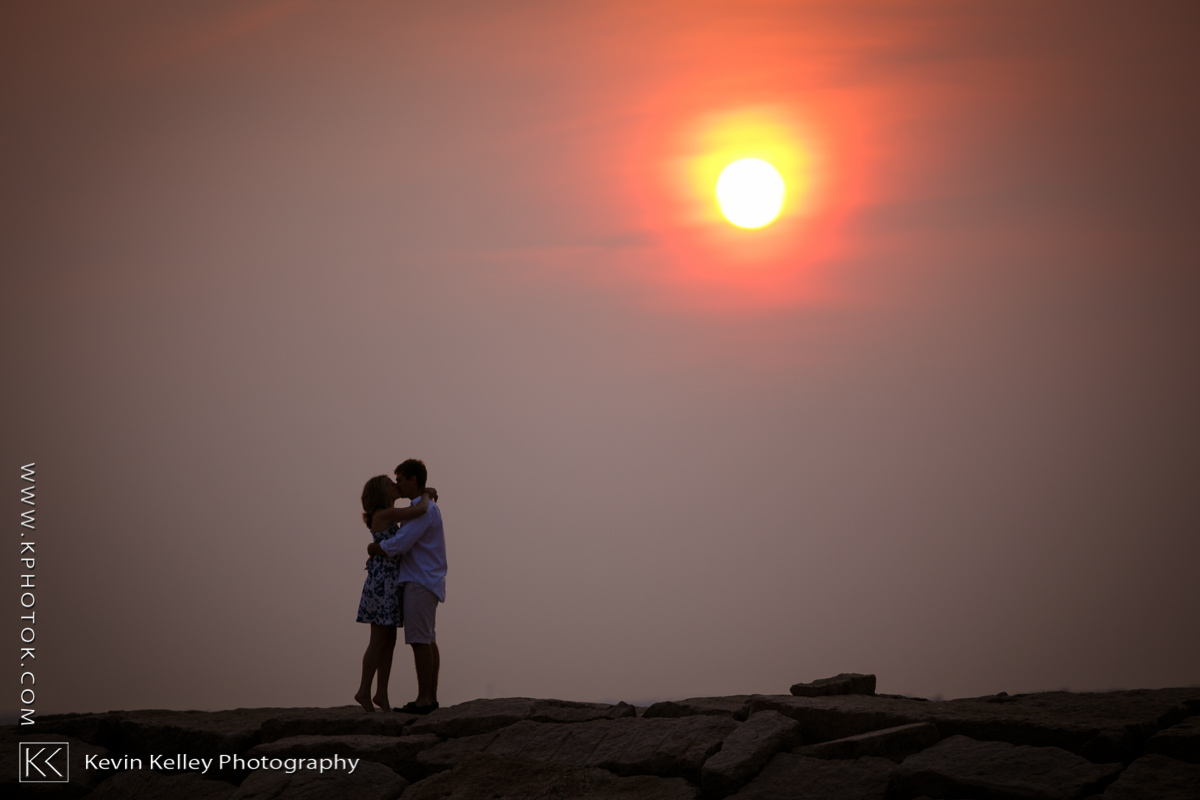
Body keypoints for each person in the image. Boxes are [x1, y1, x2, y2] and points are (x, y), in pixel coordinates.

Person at [366, 458, 446, 714]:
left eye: (399, 480)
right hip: (424, 579)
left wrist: (375, 548)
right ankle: (429, 697)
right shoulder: (423, 507)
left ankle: (424, 699)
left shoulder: (423, 510)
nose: (397, 485)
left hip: (418, 580)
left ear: (413, 479)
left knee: (420, 640)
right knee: (427, 639)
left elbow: (400, 544)